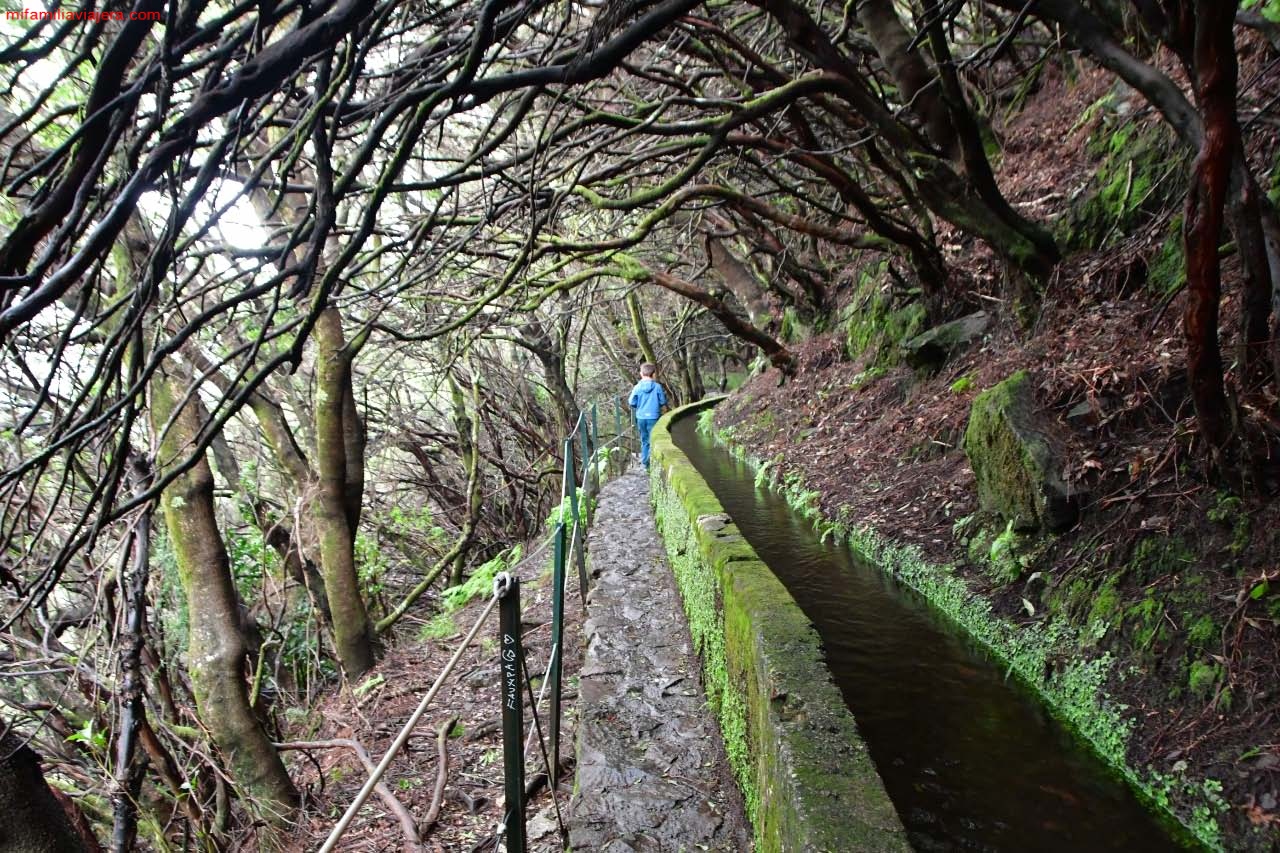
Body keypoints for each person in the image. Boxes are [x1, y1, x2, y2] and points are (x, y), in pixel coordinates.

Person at [628, 362, 668, 470]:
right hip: (653, 417)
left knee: (644, 439)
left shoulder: (637, 387)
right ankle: (654, 462)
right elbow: (662, 401)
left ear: (641, 374)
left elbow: (631, 402)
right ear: (653, 374)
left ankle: (645, 463)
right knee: (654, 439)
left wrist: (639, 405)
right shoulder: (657, 387)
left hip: (641, 417)